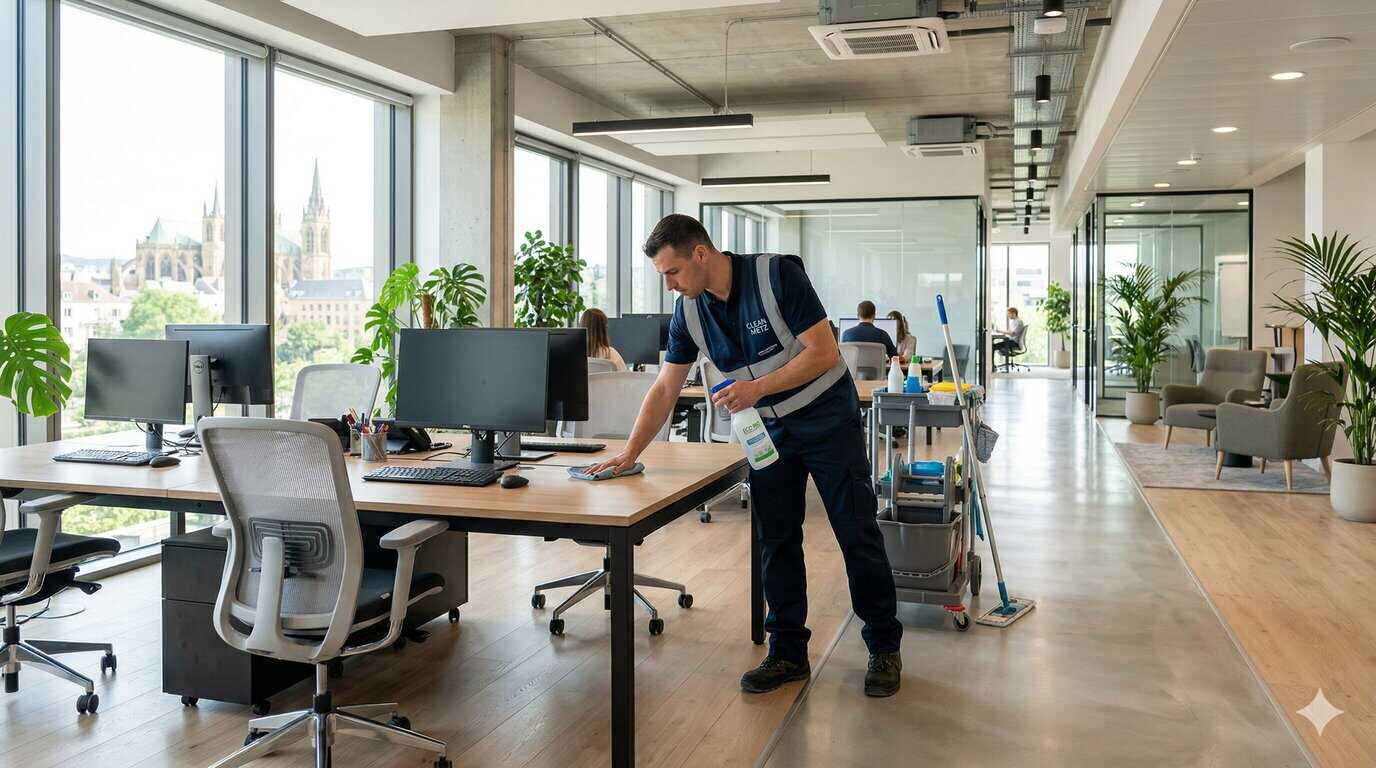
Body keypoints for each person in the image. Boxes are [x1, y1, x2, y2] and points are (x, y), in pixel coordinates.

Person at [584, 214, 903, 698]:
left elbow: (822, 352)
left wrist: (756, 389)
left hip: (826, 420)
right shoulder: (688, 312)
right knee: (775, 538)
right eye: (662, 277)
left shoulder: (777, 276)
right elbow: (667, 386)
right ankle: (787, 652)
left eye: (672, 273)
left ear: (700, 254)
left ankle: (883, 644)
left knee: (854, 531)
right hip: (769, 432)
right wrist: (630, 451)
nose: (669, 286)